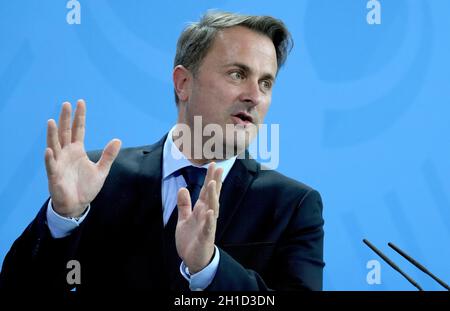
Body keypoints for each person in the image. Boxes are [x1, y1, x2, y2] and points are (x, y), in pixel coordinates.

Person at [0, 11, 324, 293]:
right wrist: (63, 217)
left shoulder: (292, 205)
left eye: (266, 83)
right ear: (183, 83)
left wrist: (208, 268)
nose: (255, 95)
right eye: (237, 74)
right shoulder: (100, 178)